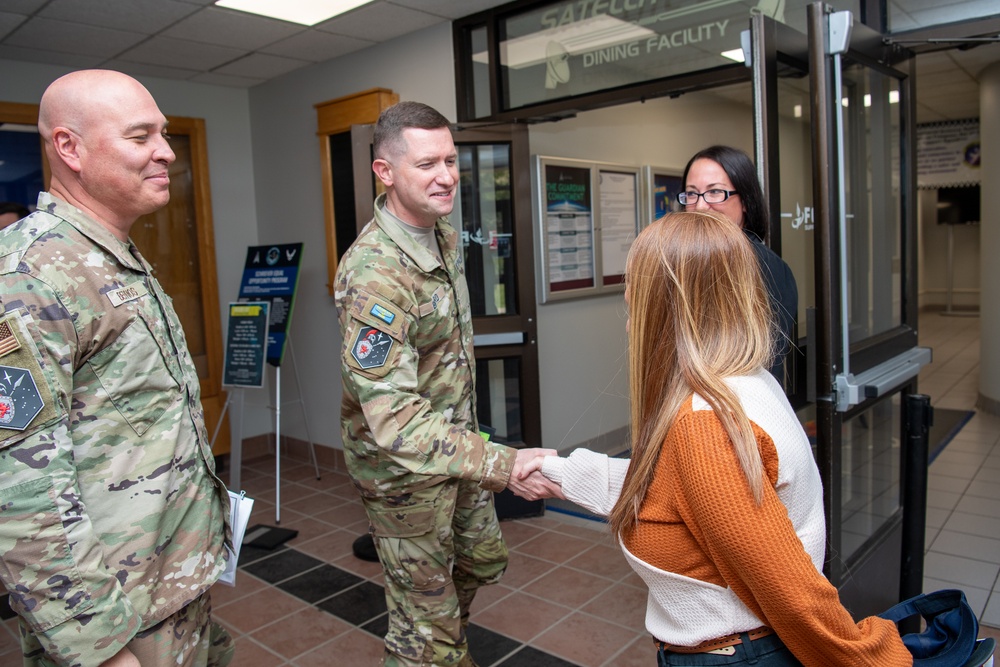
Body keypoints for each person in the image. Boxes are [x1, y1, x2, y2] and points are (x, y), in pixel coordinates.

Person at [524, 211, 912, 666]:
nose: (627, 298)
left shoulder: (705, 423)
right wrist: (561, 473)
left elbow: (788, 588)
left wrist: (874, 660)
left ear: (669, 301)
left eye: (636, 283)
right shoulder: (745, 380)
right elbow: (679, 496)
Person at [0, 70, 232, 667]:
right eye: (140, 136)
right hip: (118, 619)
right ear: (69, 148)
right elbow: (22, 493)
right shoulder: (30, 276)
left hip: (169, 590)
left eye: (164, 133)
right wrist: (100, 649)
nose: (166, 151)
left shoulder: (110, 255)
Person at [334, 101, 559, 667]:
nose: (447, 176)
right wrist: (504, 465)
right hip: (405, 479)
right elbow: (397, 420)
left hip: (455, 451)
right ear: (384, 172)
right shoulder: (375, 273)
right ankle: (428, 645)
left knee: (481, 561)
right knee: (428, 634)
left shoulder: (443, 237)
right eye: (427, 163)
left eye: (451, 161)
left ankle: (432, 636)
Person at [679, 145, 798, 382]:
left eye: (715, 192)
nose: (701, 206)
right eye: (692, 194)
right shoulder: (688, 261)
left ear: (745, 201)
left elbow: (753, 363)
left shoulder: (765, 268)